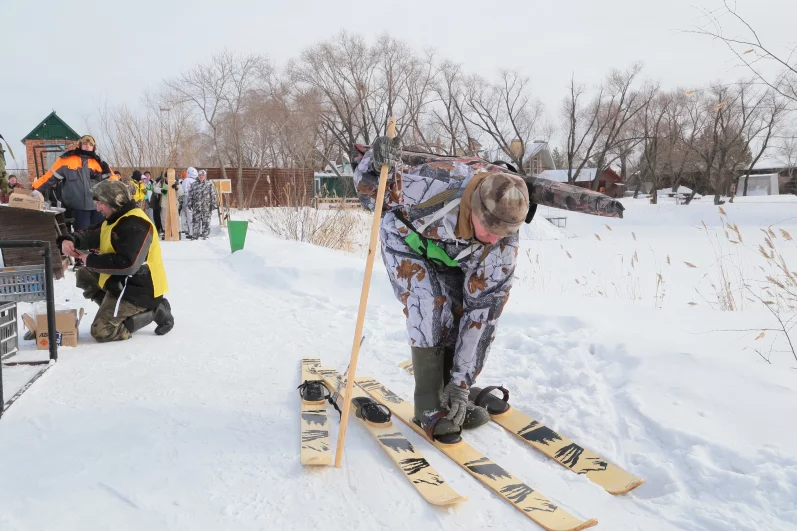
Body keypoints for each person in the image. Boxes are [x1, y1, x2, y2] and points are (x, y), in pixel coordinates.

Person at [353, 137, 624, 443]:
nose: (496, 239)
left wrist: (461, 384)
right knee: (429, 304)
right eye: (490, 230)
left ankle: (450, 395)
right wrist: (374, 163)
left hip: (459, 252)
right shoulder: (429, 185)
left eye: (504, 234)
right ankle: (429, 403)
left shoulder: (501, 241)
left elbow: (482, 315)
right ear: (475, 209)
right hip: (407, 239)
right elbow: (367, 191)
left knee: (459, 310)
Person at [57, 180, 174, 342]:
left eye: (100, 204)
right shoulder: (115, 217)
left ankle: (154, 311)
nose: (97, 208)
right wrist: (69, 239)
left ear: (114, 201)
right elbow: (92, 234)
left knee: (102, 331)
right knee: (84, 274)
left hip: (140, 289)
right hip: (122, 282)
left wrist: (90, 259)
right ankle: (115, 310)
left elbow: (128, 264)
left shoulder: (136, 224)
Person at [32, 135, 112, 230]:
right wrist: (35, 189)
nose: (88, 146)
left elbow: (113, 181)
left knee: (99, 235)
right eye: (85, 143)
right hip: (78, 208)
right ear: (79, 145)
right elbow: (49, 177)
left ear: (94, 147)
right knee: (82, 237)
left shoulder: (100, 163)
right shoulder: (66, 160)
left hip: (98, 208)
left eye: (90, 144)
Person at [187, 169, 217, 240]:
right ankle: (195, 235)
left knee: (206, 221)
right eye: (200, 175)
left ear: (205, 176)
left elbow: (213, 195)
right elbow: (190, 195)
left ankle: (205, 235)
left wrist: (213, 204)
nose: (201, 176)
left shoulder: (209, 184)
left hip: (206, 206)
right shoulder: (194, 184)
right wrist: (190, 203)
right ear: (198, 176)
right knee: (195, 221)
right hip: (196, 206)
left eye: (202, 175)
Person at [180, 167, 198, 238]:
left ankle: (190, 232)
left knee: (189, 217)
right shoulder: (196, 181)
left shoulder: (186, 180)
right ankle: (195, 231)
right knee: (194, 217)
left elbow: (182, 191)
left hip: (187, 201)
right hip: (195, 201)